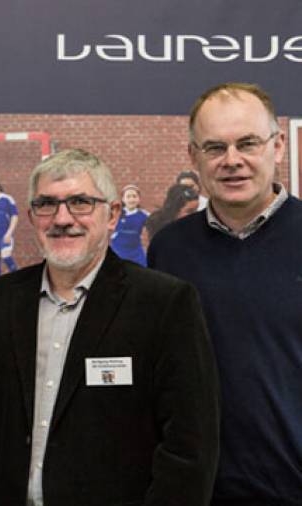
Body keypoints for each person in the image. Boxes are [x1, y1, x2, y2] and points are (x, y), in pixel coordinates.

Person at [0, 149, 219, 505]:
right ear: (31, 216)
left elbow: (189, 447)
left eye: (80, 202)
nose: (62, 218)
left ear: (113, 214)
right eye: (46, 204)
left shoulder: (164, 304)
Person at [148, 82, 302, 505]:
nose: (232, 161)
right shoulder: (168, 248)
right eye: (215, 148)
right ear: (193, 158)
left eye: (248, 143)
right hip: (196, 492)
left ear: (278, 146)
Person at [109, 184, 148, 266]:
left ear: (139, 199)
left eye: (134, 196)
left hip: (136, 251)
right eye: (128, 197)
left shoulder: (144, 215)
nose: (131, 199)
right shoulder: (116, 213)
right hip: (118, 250)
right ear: (123, 199)